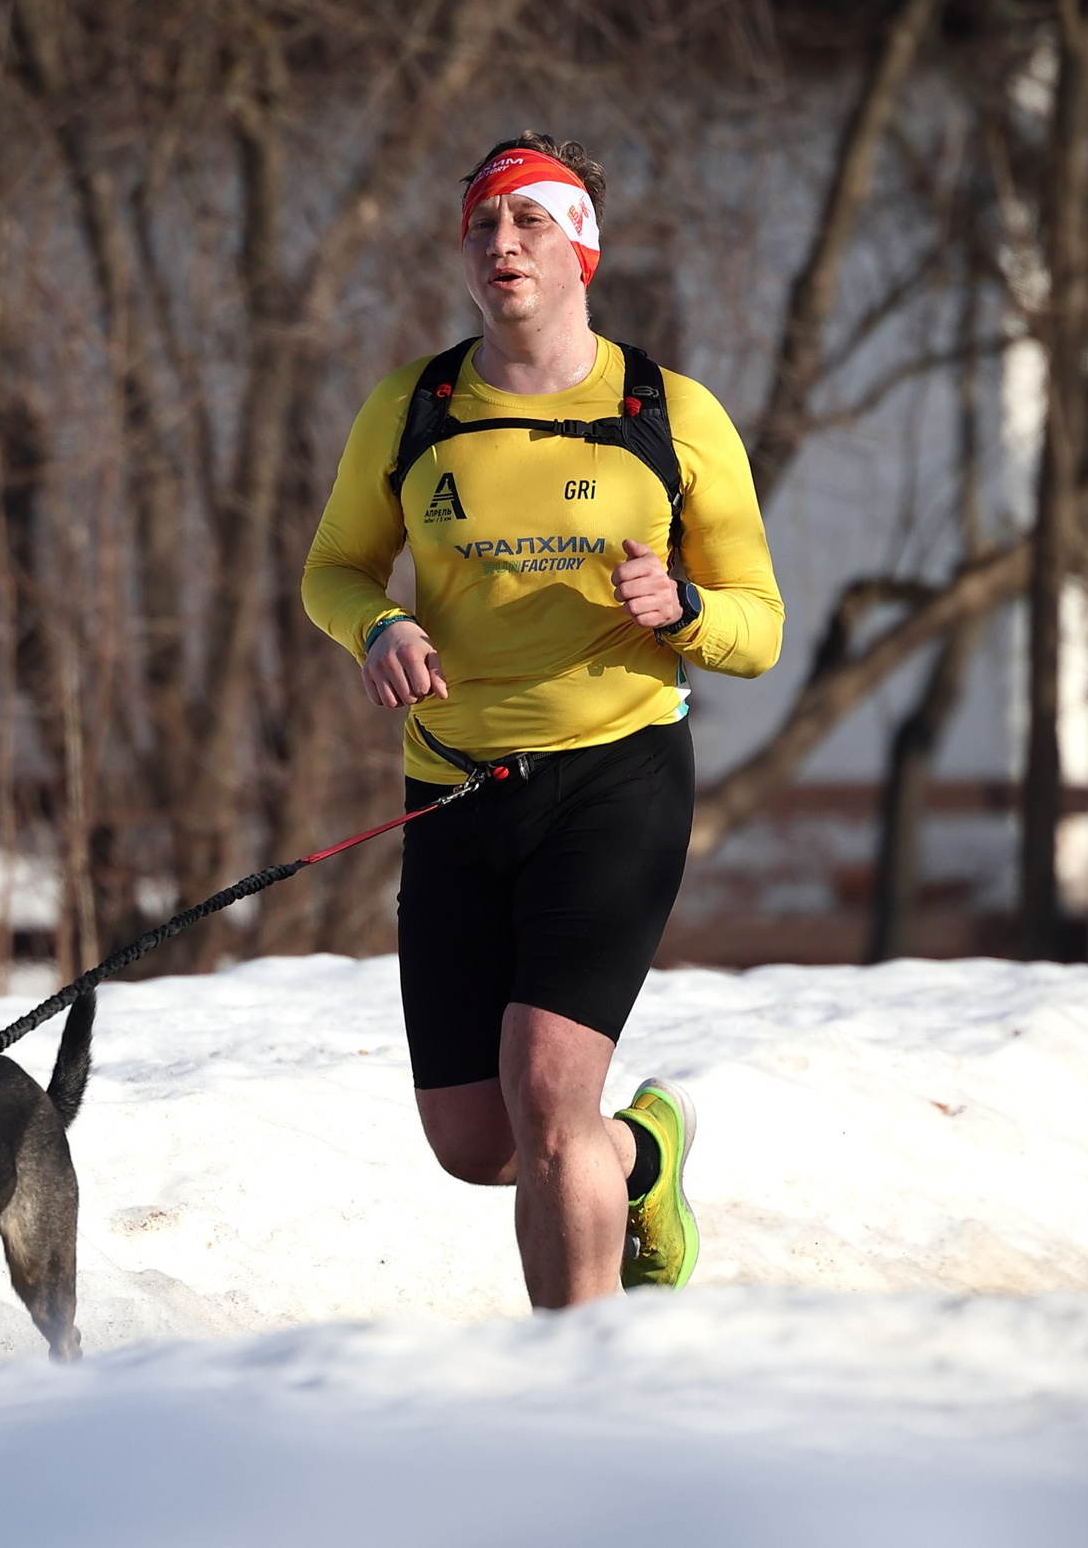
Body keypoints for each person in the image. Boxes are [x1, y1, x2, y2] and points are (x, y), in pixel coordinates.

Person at [301, 133, 783, 1308]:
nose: (502, 245)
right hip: (457, 787)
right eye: (481, 226)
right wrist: (377, 630)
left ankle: (579, 1400)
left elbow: (759, 627)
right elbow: (334, 570)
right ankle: (644, 1157)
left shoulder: (667, 411)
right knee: (480, 1142)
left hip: (614, 779)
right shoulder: (414, 405)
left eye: (529, 224)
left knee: (548, 1087)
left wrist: (682, 610)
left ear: (583, 248)